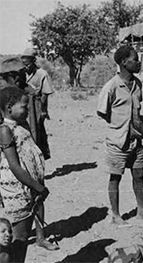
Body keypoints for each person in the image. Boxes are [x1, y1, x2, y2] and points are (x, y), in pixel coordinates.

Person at [0, 58, 59, 252]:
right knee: (16, 236)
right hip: (15, 179)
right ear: (12, 76)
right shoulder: (9, 107)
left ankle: (40, 236)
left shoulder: (26, 95)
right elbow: (12, 163)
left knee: (36, 200)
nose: (24, 75)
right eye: (19, 73)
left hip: (28, 160)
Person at [97, 45, 143, 227]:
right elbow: (102, 112)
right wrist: (119, 126)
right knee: (115, 177)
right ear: (124, 62)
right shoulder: (111, 86)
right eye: (135, 60)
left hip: (136, 141)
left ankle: (141, 212)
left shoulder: (138, 84)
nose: (139, 63)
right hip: (118, 142)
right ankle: (115, 216)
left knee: (139, 174)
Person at [20, 48, 53, 160]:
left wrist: (44, 111)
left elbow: (45, 94)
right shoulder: (21, 74)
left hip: (36, 105)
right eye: (24, 63)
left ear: (33, 61)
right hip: (23, 107)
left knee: (37, 132)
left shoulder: (41, 74)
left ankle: (39, 157)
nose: (26, 66)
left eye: (28, 63)